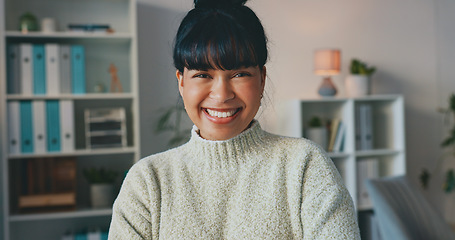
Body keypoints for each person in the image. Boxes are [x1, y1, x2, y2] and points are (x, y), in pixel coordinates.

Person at [108, 0, 360, 239]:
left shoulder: (305, 166)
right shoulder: (147, 182)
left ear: (261, 79)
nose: (222, 94)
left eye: (239, 73)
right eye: (203, 74)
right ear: (181, 82)